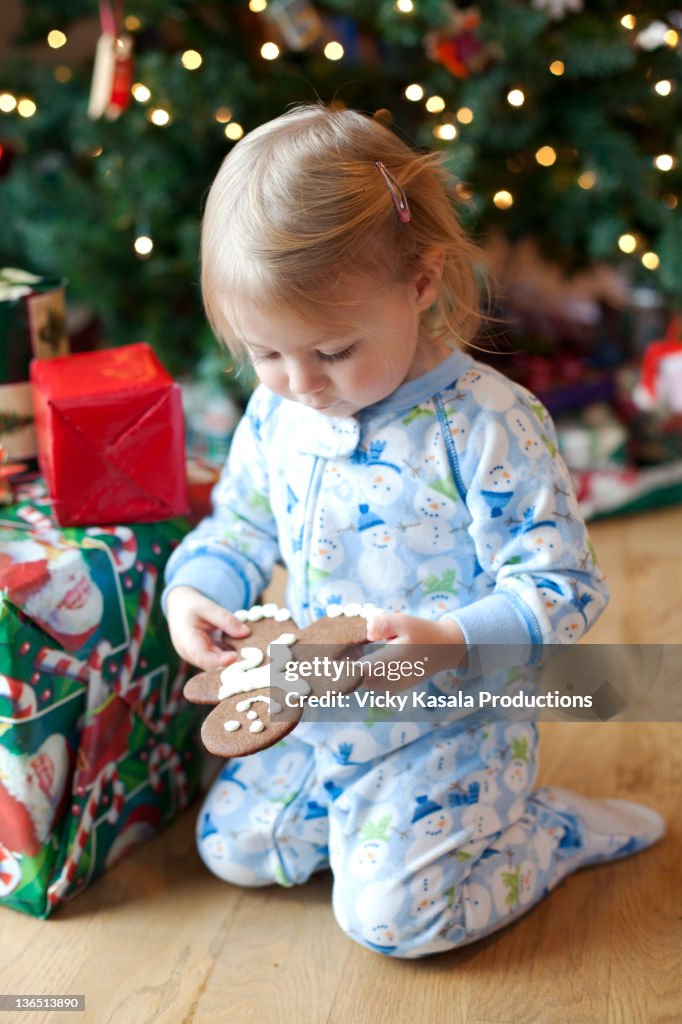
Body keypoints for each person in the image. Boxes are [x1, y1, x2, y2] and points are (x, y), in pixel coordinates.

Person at [163, 104, 664, 958]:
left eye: (332, 350)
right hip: (321, 710)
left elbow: (562, 588)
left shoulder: (488, 425)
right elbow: (241, 520)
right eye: (266, 354)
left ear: (422, 281)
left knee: (394, 924)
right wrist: (197, 589)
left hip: (452, 720)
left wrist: (451, 641)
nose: (300, 384)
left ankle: (544, 830)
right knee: (235, 850)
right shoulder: (277, 410)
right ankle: (377, 828)